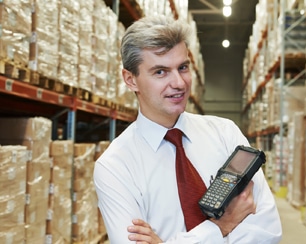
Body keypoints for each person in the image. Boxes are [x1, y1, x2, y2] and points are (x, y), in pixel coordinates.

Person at [93, 14, 282, 244]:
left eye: (182, 67)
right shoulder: (115, 166)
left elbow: (267, 232)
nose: (179, 83)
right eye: (160, 72)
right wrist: (222, 226)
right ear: (130, 79)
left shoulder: (225, 134)